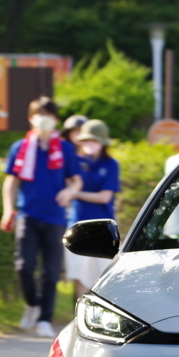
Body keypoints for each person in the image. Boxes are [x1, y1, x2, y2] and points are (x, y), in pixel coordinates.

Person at [0, 97, 81, 338]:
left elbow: (76, 180)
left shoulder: (65, 148)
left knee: (51, 272)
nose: (44, 119)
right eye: (39, 114)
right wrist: (7, 209)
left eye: (49, 115)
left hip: (55, 217)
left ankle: (45, 318)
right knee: (23, 266)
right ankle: (32, 303)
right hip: (27, 214)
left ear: (55, 120)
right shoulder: (20, 147)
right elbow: (10, 182)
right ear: (31, 118)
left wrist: (69, 191)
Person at [65, 119, 120, 297]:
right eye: (86, 140)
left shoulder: (111, 164)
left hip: (103, 230)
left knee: (102, 280)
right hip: (76, 226)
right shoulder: (74, 161)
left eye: (94, 140)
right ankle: (79, 320)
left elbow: (105, 196)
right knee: (80, 278)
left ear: (102, 143)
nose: (90, 144)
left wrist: (75, 193)